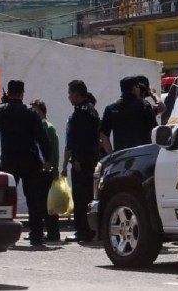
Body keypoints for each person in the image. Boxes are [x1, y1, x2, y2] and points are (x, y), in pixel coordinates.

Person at [0, 80, 52, 246]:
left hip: (9, 160)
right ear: (22, 93)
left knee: (6, 199)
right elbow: (43, 139)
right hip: (30, 160)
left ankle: (5, 236)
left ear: (8, 93)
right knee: (33, 200)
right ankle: (36, 236)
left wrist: (3, 103)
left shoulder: (1, 111)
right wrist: (48, 159)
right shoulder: (31, 114)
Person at [62, 80, 101, 243]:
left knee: (81, 197)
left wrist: (76, 159)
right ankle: (90, 230)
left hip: (82, 162)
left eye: (70, 93)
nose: (69, 97)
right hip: (92, 160)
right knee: (89, 196)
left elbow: (79, 139)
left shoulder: (80, 113)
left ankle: (83, 231)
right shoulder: (92, 110)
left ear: (77, 94)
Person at [29, 99, 61, 243]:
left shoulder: (48, 127)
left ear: (42, 111)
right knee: (37, 203)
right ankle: (38, 231)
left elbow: (54, 150)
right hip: (36, 170)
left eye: (36, 110)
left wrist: (54, 169)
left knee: (50, 204)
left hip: (47, 171)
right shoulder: (32, 127)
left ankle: (53, 233)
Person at [100, 76, 157, 154]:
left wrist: (111, 155)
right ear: (135, 87)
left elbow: (103, 134)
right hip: (142, 154)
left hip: (122, 156)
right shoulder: (144, 105)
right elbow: (153, 131)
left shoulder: (111, 108)